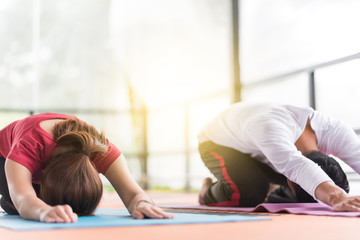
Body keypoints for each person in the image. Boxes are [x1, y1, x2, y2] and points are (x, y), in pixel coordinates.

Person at [0, 113, 172, 223]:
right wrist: (44, 210)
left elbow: (134, 193)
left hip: (41, 162)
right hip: (4, 156)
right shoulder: (30, 143)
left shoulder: (102, 151)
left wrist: (141, 204)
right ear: (44, 174)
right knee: (17, 205)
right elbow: (23, 198)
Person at [197, 102, 360, 211]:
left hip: (257, 142)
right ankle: (207, 192)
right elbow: (298, 167)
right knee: (249, 194)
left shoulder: (337, 132)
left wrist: (336, 194)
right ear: (289, 181)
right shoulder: (271, 131)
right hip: (218, 141)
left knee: (310, 188)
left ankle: (270, 187)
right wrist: (337, 197)